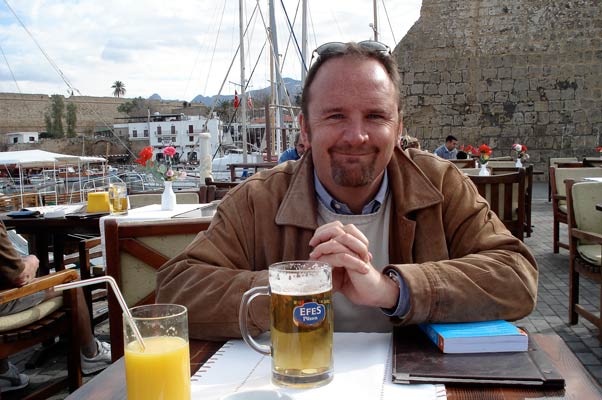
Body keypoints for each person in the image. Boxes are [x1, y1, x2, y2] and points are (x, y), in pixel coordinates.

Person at [156, 41, 537, 340]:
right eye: (336, 116)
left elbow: (516, 276)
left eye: (375, 116)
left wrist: (394, 289)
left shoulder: (441, 184)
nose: (356, 136)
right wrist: (297, 285)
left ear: (398, 125)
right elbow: (177, 291)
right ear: (305, 129)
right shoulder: (258, 198)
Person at [0, 222, 111, 393]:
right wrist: (31, 261)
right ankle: (92, 354)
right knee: (72, 282)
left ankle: (4, 373)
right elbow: (20, 276)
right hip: (3, 304)